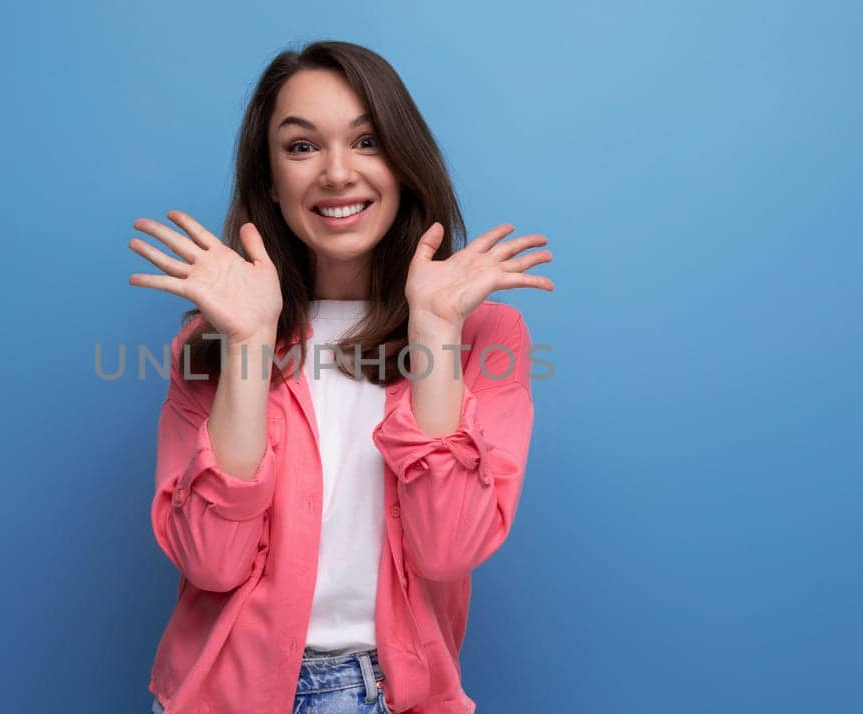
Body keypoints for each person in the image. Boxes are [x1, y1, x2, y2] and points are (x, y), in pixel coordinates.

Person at [126, 40, 554, 713]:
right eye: (301, 147)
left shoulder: (484, 336)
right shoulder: (207, 346)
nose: (335, 172)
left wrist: (435, 329)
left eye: (366, 141)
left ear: (404, 161)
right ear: (270, 178)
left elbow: (449, 549)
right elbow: (210, 562)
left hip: (397, 696)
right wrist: (246, 344)